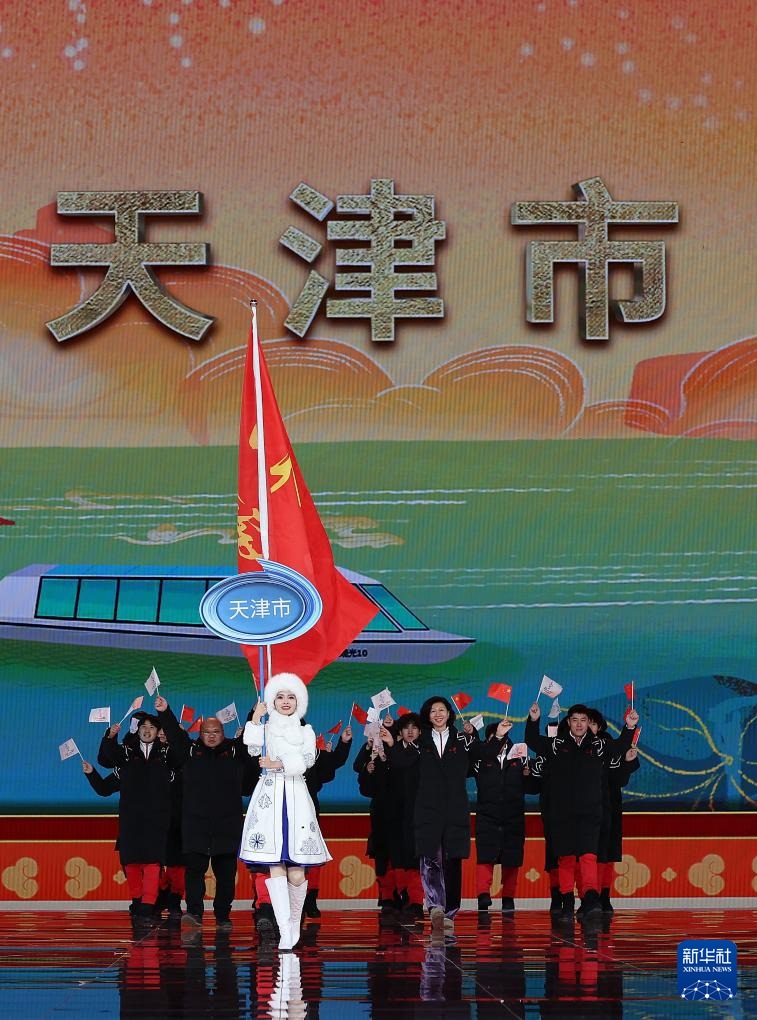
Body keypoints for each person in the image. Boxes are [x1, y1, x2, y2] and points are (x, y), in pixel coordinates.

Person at [240, 672, 332, 951]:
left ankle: (293, 924)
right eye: (279, 697)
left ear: (299, 701)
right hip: (269, 797)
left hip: (296, 798)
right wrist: (255, 719)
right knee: (275, 867)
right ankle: (284, 931)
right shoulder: (265, 729)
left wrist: (278, 763)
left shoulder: (306, 731)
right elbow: (251, 748)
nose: (285, 701)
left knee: (297, 874)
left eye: (291, 697)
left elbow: (307, 759)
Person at [525, 701, 639, 921]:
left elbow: (620, 746)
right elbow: (532, 740)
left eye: (583, 720)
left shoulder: (598, 745)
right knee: (566, 858)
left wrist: (630, 726)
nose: (579, 724)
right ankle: (567, 903)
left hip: (590, 812)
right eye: (575, 720)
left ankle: (591, 899)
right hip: (562, 813)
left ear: (588, 723)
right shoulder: (556, 745)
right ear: (569, 722)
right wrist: (533, 719)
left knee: (588, 856)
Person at [155, 695, 258, 937]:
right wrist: (164, 711)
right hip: (196, 826)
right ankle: (194, 914)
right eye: (207, 732)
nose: (211, 736)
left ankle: (223, 916)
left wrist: (254, 712)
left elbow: (249, 734)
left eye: (216, 732)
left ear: (223, 733)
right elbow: (175, 734)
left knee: (226, 876)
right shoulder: (190, 752)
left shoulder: (234, 751)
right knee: (194, 874)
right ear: (200, 734)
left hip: (227, 827)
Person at [388, 696, 479, 936]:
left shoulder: (462, 740)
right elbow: (400, 761)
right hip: (427, 809)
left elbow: (483, 754)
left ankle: (450, 912)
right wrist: (390, 742)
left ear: (449, 713)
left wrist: (495, 736)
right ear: (427, 716)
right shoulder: (421, 741)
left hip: (455, 809)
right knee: (430, 859)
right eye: (433, 711)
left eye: (442, 710)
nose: (438, 714)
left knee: (452, 861)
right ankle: (435, 907)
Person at [97, 711, 175, 925]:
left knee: (153, 863)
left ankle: (149, 904)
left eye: (152, 727)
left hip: (157, 820)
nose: (147, 731)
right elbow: (106, 760)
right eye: (143, 727)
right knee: (131, 862)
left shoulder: (166, 757)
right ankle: (138, 900)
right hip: (131, 820)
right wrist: (109, 736)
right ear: (137, 730)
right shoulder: (126, 756)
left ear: (158, 731)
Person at [471, 719, 539, 915]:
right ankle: (483, 895)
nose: (498, 741)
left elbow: (533, 788)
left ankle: (508, 897)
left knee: (512, 858)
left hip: (513, 815)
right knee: (486, 856)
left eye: (501, 736)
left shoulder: (520, 758)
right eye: (493, 738)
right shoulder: (481, 761)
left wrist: (529, 776)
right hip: (487, 815)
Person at [587, 708, 641, 913]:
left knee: (608, 853)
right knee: (588, 854)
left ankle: (604, 896)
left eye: (592, 723)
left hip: (610, 805)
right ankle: (587, 896)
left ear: (600, 726)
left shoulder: (610, 745)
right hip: (585, 808)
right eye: (582, 721)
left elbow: (619, 780)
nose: (586, 726)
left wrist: (627, 761)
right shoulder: (574, 747)